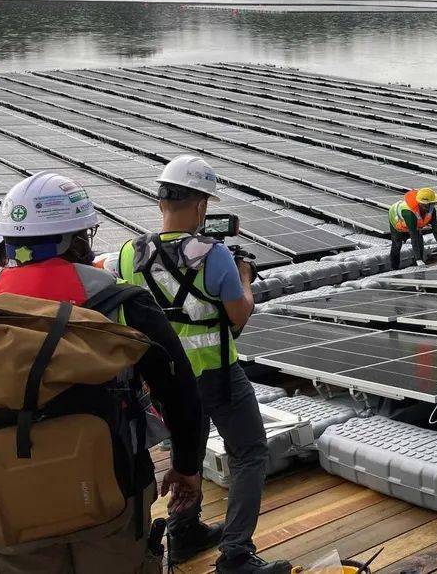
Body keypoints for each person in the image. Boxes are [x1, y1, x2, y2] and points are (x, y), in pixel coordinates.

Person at [0, 170, 205, 574]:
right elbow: (180, 392)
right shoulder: (117, 299)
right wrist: (187, 467)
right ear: (75, 240)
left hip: (5, 508)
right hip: (109, 496)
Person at [114, 155, 290, 574]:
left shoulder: (127, 254)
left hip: (166, 383)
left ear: (161, 202)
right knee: (248, 452)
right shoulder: (214, 255)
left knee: (183, 452)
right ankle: (236, 554)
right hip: (219, 376)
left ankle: (184, 530)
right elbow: (238, 315)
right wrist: (245, 276)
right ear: (200, 206)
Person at [389, 187, 437, 270]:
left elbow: (435, 229)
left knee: (420, 242)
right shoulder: (409, 213)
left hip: (415, 224)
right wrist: (418, 259)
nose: (434, 205)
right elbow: (413, 235)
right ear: (424, 204)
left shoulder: (431, 210)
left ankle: (417, 267)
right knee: (397, 244)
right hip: (397, 221)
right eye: (432, 203)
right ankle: (394, 268)